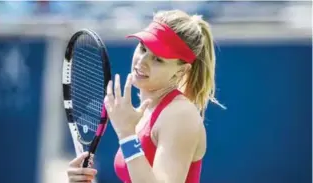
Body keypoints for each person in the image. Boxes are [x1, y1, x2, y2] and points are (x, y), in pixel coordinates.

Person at [67, 9, 224, 183]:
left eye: (158, 59)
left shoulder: (180, 115)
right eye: (143, 48)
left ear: (182, 70)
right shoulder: (148, 112)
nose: (142, 61)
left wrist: (127, 134)